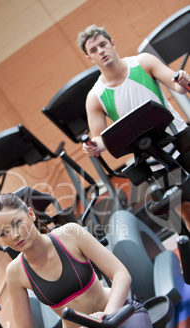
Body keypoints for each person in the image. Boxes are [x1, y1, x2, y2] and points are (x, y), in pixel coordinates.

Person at [0, 193, 183, 328]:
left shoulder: (70, 234)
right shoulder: (15, 272)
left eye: (17, 223)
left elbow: (120, 274)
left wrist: (107, 316)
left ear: (30, 215)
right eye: (4, 233)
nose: (14, 235)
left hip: (119, 317)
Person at [77, 24, 190, 228]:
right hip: (152, 156)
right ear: (89, 58)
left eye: (103, 44)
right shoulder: (95, 97)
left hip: (180, 137)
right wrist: (92, 146)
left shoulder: (143, 62)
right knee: (186, 209)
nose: (100, 51)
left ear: (112, 43)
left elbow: (177, 86)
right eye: (93, 50)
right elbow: (101, 140)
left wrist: (182, 79)